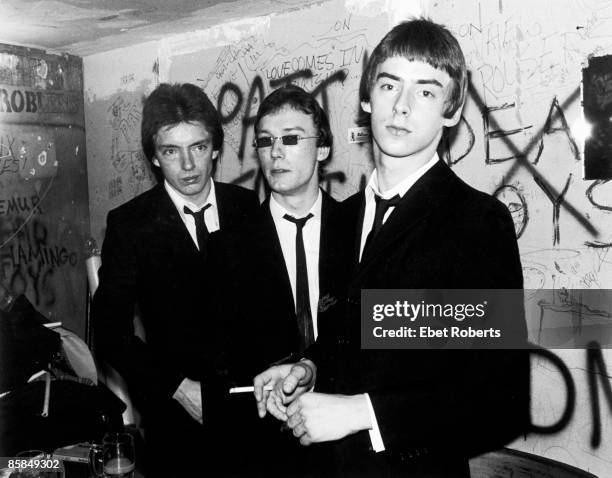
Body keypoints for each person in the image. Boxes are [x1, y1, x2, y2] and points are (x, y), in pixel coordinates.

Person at [254, 18, 530, 477]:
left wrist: (365, 412)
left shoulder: (476, 222)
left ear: (451, 111)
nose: (401, 107)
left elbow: (500, 399)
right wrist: (308, 368)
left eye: (425, 91)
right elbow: (358, 335)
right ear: (366, 98)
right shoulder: (341, 219)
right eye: (389, 85)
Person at [92, 83, 258, 477]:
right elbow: (109, 330)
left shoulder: (247, 208)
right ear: (154, 157)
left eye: (198, 147)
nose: (188, 165)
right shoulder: (130, 225)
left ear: (215, 148)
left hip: (251, 415)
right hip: (177, 420)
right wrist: (178, 388)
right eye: (171, 151)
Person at [209, 85, 351, 476]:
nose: (276, 152)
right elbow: (218, 361)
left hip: (348, 441)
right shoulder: (227, 246)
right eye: (266, 141)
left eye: (291, 139)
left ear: (322, 149)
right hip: (266, 446)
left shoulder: (357, 232)